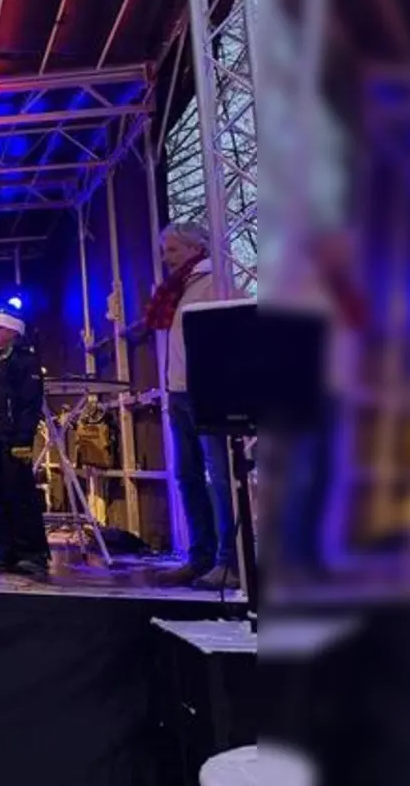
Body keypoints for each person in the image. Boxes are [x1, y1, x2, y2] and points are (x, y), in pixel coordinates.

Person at [146, 222, 236, 589]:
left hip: (207, 392)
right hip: (178, 391)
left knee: (221, 477)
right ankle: (200, 557)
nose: (166, 258)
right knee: (187, 476)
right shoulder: (176, 288)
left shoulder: (216, 282)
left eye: (173, 250)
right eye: (164, 251)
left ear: (196, 248)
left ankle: (230, 561)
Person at [0, 310, 50, 577]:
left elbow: (29, 404)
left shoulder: (25, 361)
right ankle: (3, 549)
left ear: (13, 332)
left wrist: (23, 439)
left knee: (20, 496)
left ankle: (32, 553)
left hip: (11, 437)